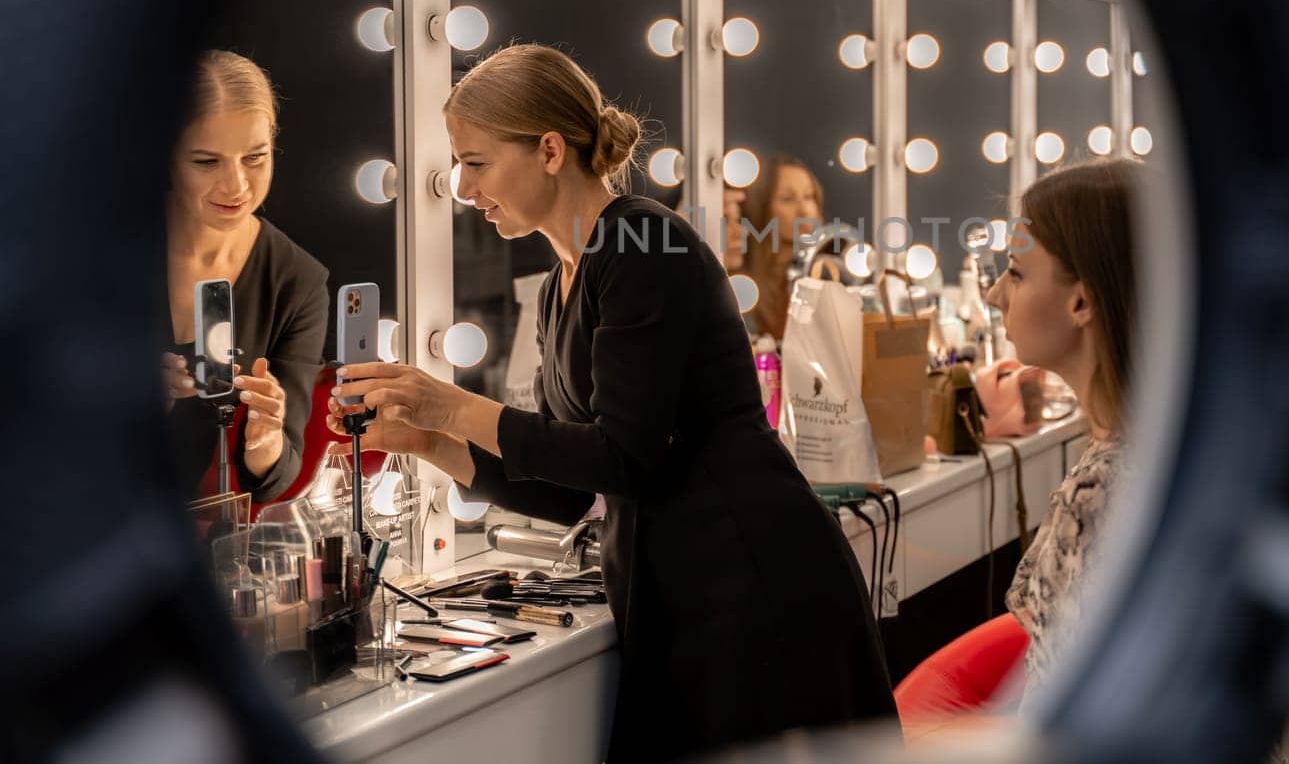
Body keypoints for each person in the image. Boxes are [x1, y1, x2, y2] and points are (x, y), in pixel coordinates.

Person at [329, 44, 897, 761]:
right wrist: (426, 443)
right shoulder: (565, 280)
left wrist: (450, 405)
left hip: (751, 580)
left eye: (476, 162)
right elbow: (573, 490)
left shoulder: (643, 241)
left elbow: (626, 457)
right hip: (677, 592)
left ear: (548, 149)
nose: (463, 187)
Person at [985, 159, 1137, 704]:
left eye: (1017, 273)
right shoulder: (1151, 446)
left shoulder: (1105, 492)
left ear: (1082, 301)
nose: (994, 294)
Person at [163, 51, 329, 502]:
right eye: (206, 162)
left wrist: (266, 436)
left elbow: (276, 478)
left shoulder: (296, 280)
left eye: (254, 157)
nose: (236, 185)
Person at [737, 154, 823, 340]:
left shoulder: (827, 273)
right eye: (787, 199)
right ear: (763, 207)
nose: (804, 211)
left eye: (809, 196)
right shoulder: (740, 281)